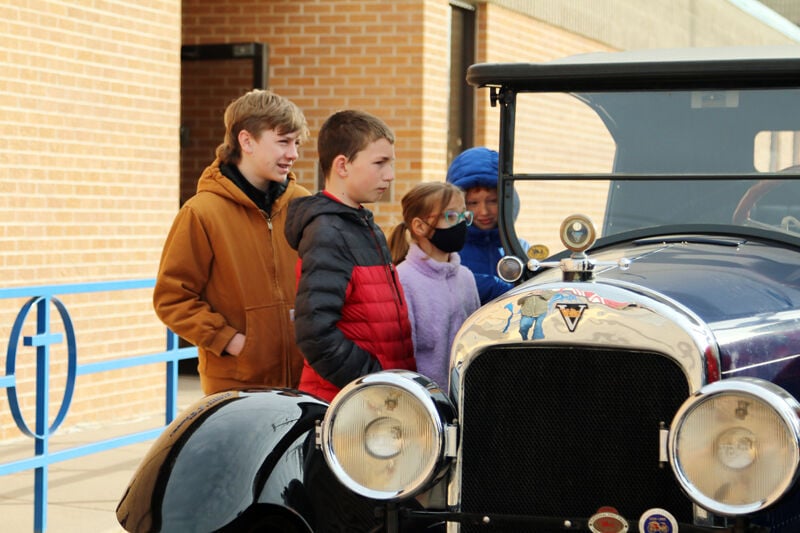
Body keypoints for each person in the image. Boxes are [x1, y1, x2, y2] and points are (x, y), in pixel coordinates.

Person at [153, 89, 310, 395]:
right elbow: (172, 298)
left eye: (296, 143)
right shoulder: (201, 212)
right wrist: (231, 341)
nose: (293, 154)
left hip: (303, 384)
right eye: (283, 142)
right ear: (246, 141)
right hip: (236, 387)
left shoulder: (303, 205)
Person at [284, 109, 415, 402]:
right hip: (349, 408)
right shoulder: (327, 232)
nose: (390, 175)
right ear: (342, 165)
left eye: (390, 163)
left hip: (380, 403)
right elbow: (315, 335)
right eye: (380, 163)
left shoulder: (364, 227)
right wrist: (373, 380)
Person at [388, 182, 481, 389]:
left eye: (463, 216)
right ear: (420, 226)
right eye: (450, 217)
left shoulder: (466, 277)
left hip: (465, 397)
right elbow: (403, 356)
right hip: (424, 403)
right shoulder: (404, 280)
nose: (460, 224)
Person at [446, 147, 528, 305]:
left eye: (492, 201)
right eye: (473, 203)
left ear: (507, 201)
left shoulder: (520, 248)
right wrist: (493, 287)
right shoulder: (448, 252)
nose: (483, 211)